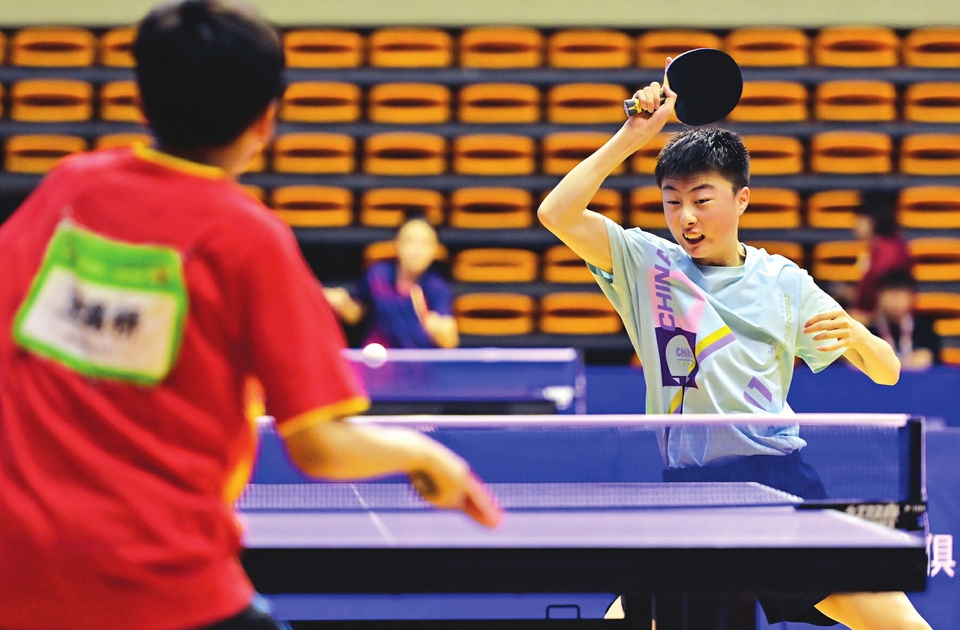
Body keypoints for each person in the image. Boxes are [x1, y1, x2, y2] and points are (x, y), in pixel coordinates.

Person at [0, 3, 499, 630]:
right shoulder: (248, 238)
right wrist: (427, 457)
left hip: (17, 572)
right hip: (163, 582)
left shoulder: (66, 190)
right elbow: (319, 446)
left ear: (140, 102)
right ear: (267, 120)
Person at [537, 66, 930, 629]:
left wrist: (861, 337)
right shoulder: (648, 265)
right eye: (672, 201)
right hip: (690, 493)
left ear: (742, 199)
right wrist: (632, 137)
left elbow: (887, 372)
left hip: (778, 486)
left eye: (702, 199)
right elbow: (555, 213)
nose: (686, 217)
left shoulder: (782, 281)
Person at [325, 214, 459, 348]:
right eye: (409, 241)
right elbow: (356, 315)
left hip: (416, 359)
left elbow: (450, 342)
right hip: (377, 356)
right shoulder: (378, 275)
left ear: (435, 248)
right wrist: (343, 304)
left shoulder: (437, 287)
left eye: (424, 243)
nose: (416, 250)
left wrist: (438, 329)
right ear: (397, 243)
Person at [851, 197, 913, 323]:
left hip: (882, 322)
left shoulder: (889, 252)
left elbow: (890, 294)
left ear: (872, 221)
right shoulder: (874, 249)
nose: (854, 226)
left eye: (859, 220)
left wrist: (869, 320)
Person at [869, 270, 942, 370]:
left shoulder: (924, 328)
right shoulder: (869, 331)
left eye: (900, 295)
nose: (895, 301)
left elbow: (931, 358)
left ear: (911, 297)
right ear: (879, 297)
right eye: (890, 294)